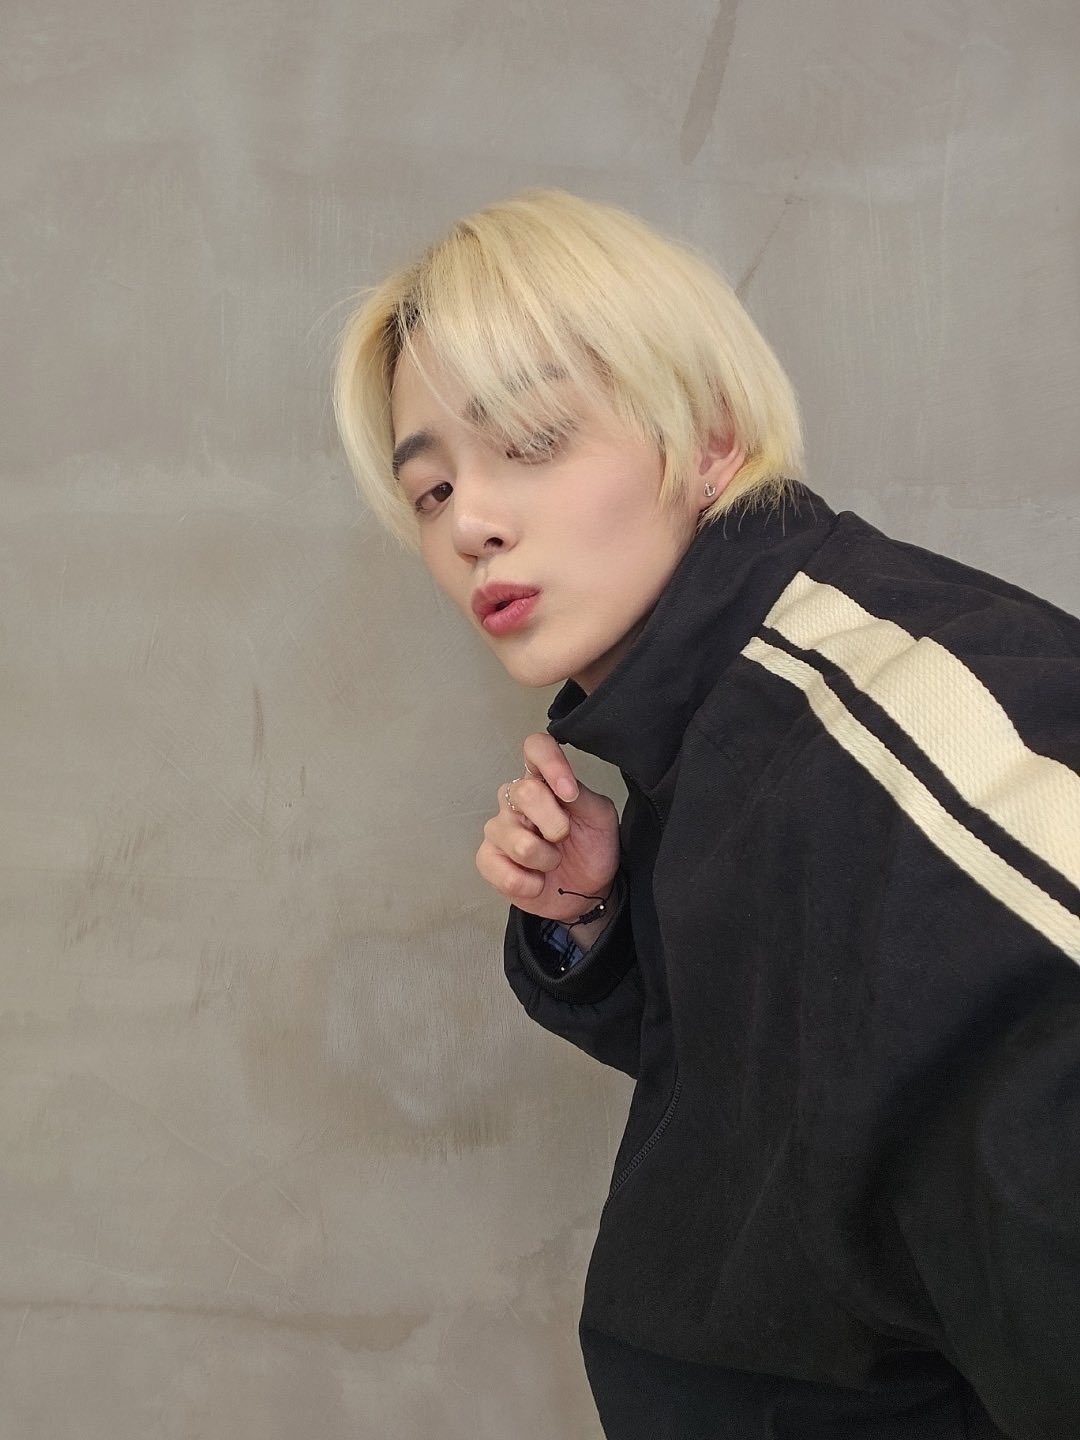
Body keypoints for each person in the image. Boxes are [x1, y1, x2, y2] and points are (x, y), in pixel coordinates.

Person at [332, 188, 1080, 1439]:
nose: (471, 523)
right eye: (431, 489)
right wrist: (603, 920)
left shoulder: (893, 726)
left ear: (712, 437)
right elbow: (825, 1107)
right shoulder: (731, 727)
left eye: (530, 439)